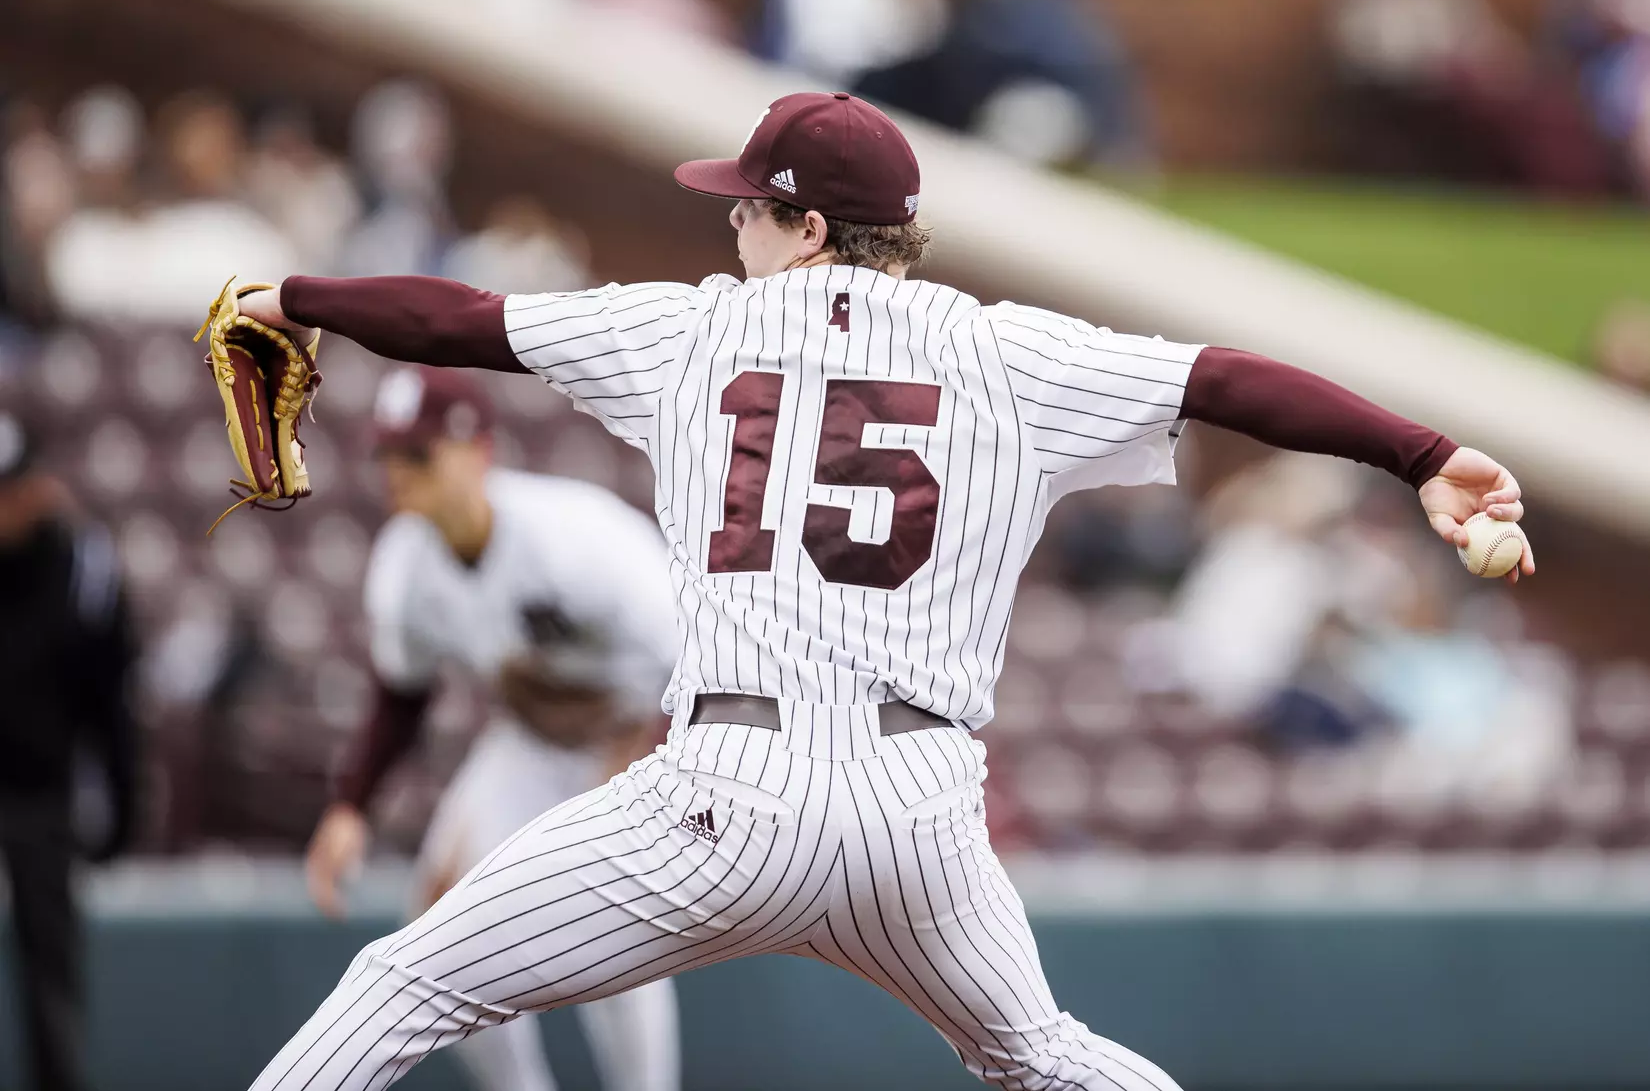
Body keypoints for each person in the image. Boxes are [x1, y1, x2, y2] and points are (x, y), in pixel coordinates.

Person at [234, 91, 1533, 1090]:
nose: (727, 222)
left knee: (406, 983)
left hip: (724, 796)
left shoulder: (689, 329)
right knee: (1042, 1056)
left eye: (748, 206)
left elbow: (458, 319)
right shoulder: (1008, 351)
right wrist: (1417, 453)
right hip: (919, 820)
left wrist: (295, 296)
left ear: (807, 228)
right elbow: (1224, 380)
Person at [301, 366, 680, 1091]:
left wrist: (641, 771)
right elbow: (402, 691)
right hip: (534, 740)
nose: (398, 472)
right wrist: (351, 804)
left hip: (640, 734)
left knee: (608, 918)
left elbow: (696, 658)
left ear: (476, 453)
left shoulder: (573, 537)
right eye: (388, 454)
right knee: (438, 911)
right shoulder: (407, 562)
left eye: (418, 454)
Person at [0, 410, 140, 1091]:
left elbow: (112, 703)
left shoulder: (83, 565)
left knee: (49, 968)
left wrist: (122, 805)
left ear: (37, 486)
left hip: (39, 791)